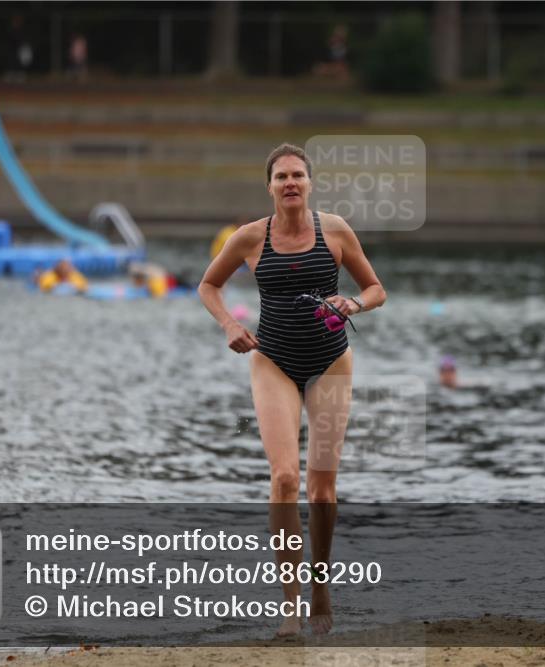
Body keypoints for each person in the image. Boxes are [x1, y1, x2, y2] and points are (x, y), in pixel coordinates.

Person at [198, 143, 386, 637]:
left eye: (297, 175)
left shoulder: (336, 230)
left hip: (331, 363)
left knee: (321, 489)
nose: (290, 183)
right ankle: (290, 604)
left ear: (309, 183)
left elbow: (376, 290)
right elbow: (208, 286)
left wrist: (354, 303)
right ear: (270, 187)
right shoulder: (249, 237)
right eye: (281, 177)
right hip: (273, 361)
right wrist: (229, 325)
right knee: (284, 478)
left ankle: (321, 585)